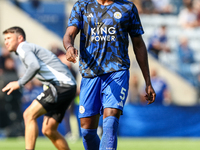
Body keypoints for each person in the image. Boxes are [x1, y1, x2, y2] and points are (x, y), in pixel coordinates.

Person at [63, 0, 156, 150]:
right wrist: (69, 47)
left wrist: (148, 81)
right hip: (90, 73)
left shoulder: (127, 8)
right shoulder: (82, 5)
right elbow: (69, 34)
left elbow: (138, 44)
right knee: (87, 132)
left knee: (111, 123)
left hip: (117, 71)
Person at [2, 26, 77, 150]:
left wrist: (19, 83)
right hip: (68, 86)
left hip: (60, 85)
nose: (6, 42)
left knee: (28, 115)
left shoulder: (23, 47)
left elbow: (34, 66)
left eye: (9, 38)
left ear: (20, 38)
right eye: (5, 39)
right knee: (49, 130)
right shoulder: (28, 49)